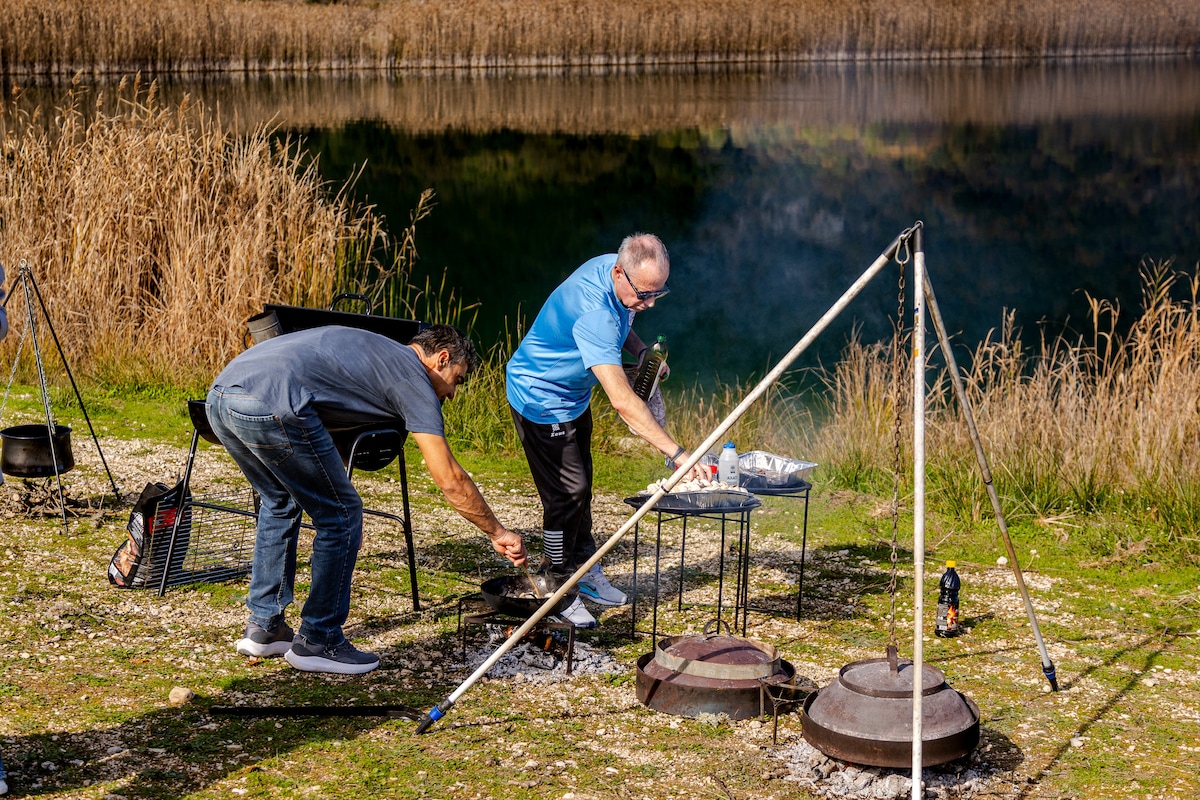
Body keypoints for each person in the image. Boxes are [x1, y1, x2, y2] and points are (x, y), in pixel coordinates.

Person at [207, 323, 526, 675]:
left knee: (280, 501)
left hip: (221, 396)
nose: (452, 394)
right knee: (341, 515)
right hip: (270, 403)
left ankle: (265, 626)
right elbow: (449, 478)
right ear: (442, 359)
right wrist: (498, 532)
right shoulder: (412, 377)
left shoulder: (378, 351)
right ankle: (319, 640)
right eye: (458, 380)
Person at [506, 233, 708, 628]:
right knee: (566, 494)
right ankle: (557, 584)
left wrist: (642, 352)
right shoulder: (593, 309)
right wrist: (677, 454)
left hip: (572, 397)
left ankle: (585, 569)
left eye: (657, 294)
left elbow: (622, 321)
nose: (649, 304)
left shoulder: (615, 271)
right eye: (645, 295)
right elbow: (622, 402)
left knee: (584, 485)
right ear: (619, 272)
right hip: (540, 398)